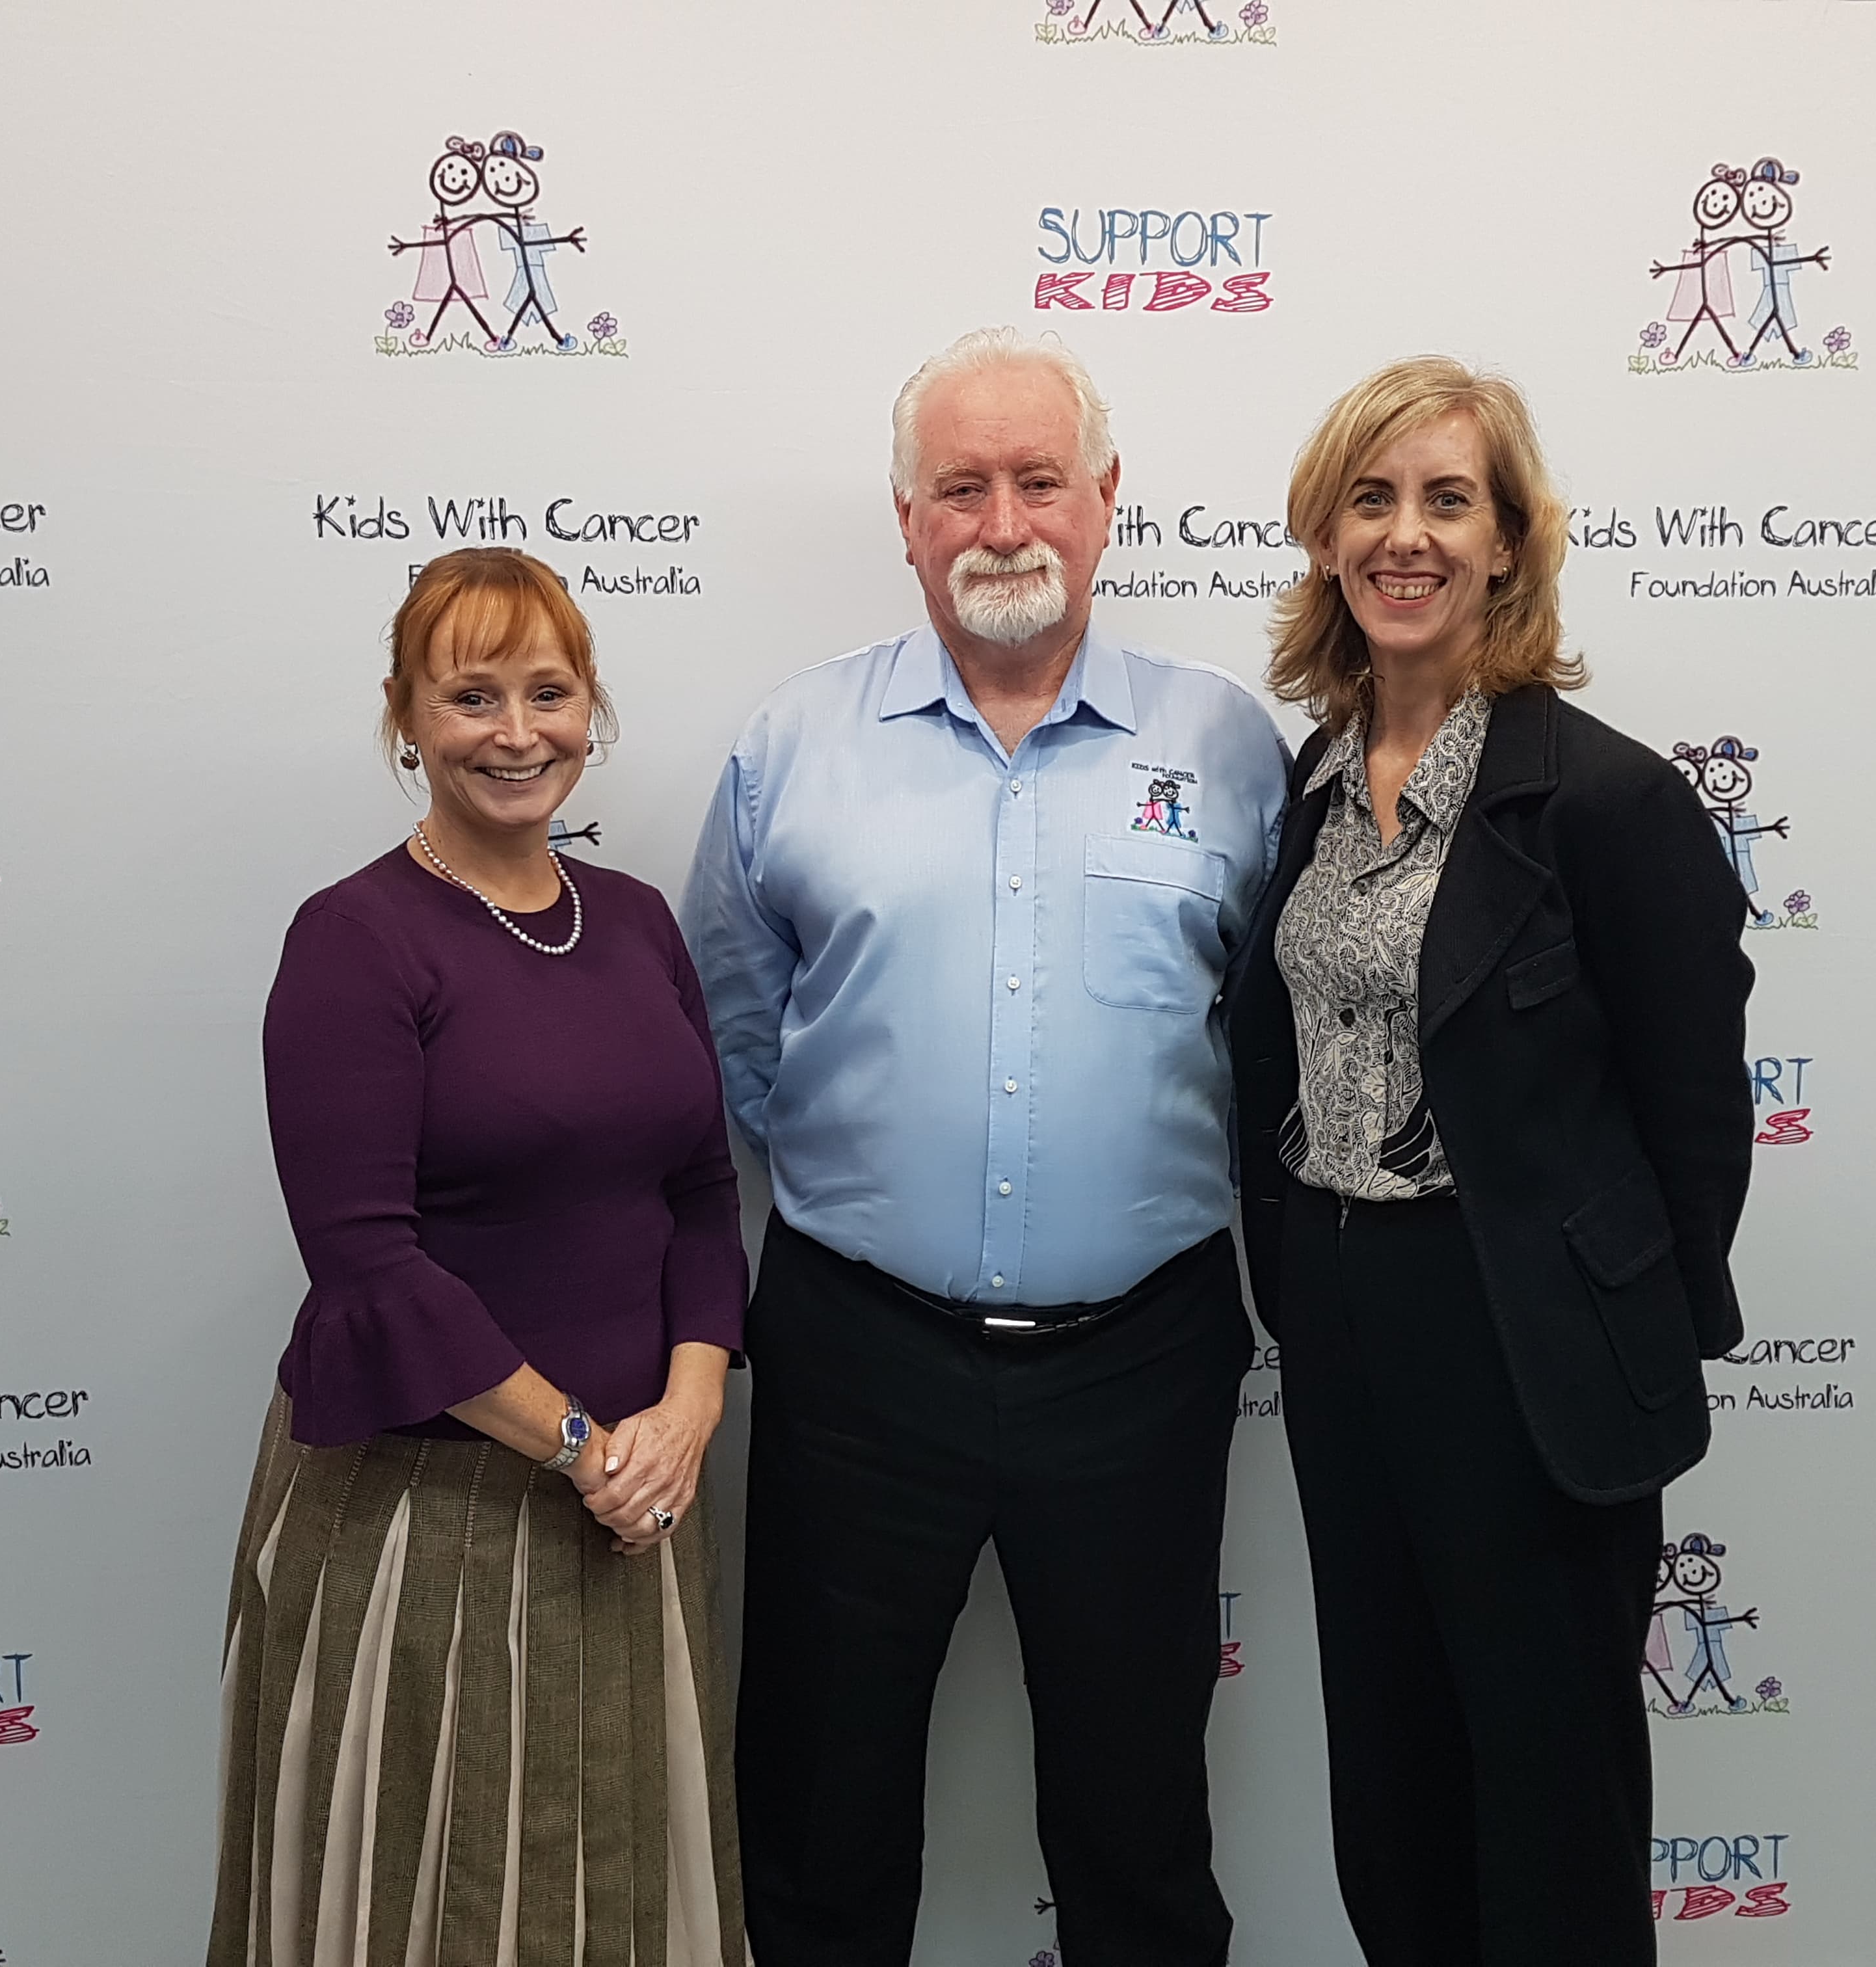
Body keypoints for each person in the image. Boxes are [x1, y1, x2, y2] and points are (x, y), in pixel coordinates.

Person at [681, 326, 1287, 1967]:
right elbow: (734, 1031)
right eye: (962, 486)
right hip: (859, 1359)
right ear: (905, 519)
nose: (1002, 519)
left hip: (1141, 1358)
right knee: (822, 1813)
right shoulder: (790, 750)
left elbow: (1277, 1035)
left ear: (1107, 502)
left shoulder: (1229, 750)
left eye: (1039, 480)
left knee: (1139, 1816)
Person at [1226, 356, 1754, 1965]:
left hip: (1528, 1353)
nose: (1407, 537)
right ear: (1326, 538)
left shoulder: (1604, 800)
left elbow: (1695, 1127)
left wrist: (1612, 1331)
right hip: (1343, 1328)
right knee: (1392, 1778)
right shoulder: (1309, 785)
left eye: (1448, 500)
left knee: (1549, 1796)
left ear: (1513, 543)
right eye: (1372, 501)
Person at [209, 548, 748, 1967]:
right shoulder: (355, 941)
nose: (517, 732)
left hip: (644, 1505)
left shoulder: (631, 921)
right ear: (404, 718)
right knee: (427, 1900)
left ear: (592, 708)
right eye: (471, 696)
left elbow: (701, 1188)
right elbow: (369, 1270)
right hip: (431, 1515)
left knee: (623, 1882)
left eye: (549, 691)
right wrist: (584, 1453)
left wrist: (687, 1415)